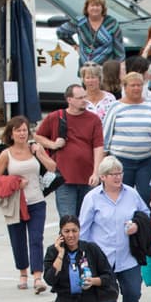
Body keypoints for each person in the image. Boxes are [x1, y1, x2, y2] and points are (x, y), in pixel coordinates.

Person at [80, 156, 151, 302]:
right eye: (113, 174)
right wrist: (83, 256)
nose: (118, 177)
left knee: (133, 293)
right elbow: (83, 228)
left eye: (120, 173)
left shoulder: (131, 193)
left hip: (128, 255)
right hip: (102, 258)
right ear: (103, 177)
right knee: (107, 301)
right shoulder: (92, 198)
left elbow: (146, 214)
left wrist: (136, 225)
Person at [0, 118, 53, 293]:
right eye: (18, 130)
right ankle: (23, 273)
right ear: (11, 134)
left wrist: (40, 154)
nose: (22, 134)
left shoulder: (35, 149)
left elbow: (52, 167)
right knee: (18, 239)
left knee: (36, 239)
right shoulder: (6, 154)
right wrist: (14, 183)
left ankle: (37, 277)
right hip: (15, 202)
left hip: (37, 201)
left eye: (24, 130)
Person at [35, 84, 106, 218]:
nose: (84, 100)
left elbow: (98, 147)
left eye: (85, 96)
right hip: (64, 179)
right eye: (79, 98)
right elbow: (38, 136)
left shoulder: (93, 119)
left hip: (88, 178)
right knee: (68, 219)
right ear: (69, 100)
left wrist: (96, 173)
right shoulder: (56, 116)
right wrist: (53, 144)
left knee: (87, 218)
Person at [102, 72, 151, 205]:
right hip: (121, 161)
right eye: (133, 85)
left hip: (146, 161)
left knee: (146, 196)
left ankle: (144, 224)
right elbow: (105, 137)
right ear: (125, 87)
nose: (136, 88)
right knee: (120, 196)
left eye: (139, 85)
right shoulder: (115, 107)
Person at [56, 0, 125, 67]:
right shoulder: (80, 22)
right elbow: (61, 32)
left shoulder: (111, 23)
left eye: (98, 5)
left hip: (106, 68)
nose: (95, 8)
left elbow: (119, 48)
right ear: (87, 8)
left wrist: (121, 66)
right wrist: (75, 45)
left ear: (102, 8)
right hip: (86, 68)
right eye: (92, 5)